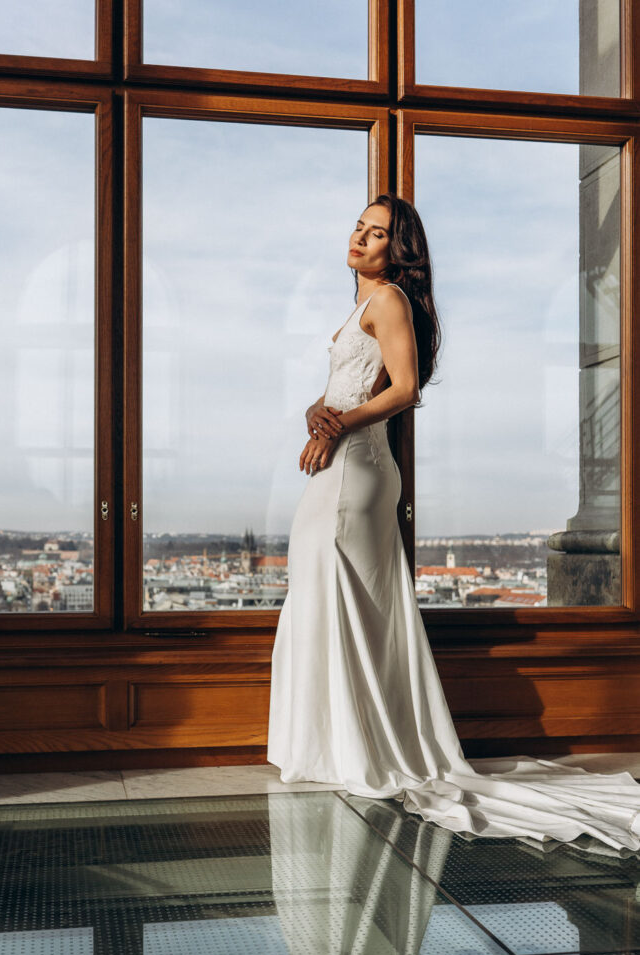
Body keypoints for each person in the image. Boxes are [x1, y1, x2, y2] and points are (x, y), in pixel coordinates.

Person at [267, 191, 640, 854]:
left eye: (376, 234)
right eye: (359, 227)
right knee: (327, 597)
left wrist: (338, 425)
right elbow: (347, 390)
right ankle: (341, 744)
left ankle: (354, 749)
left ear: (397, 251)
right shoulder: (364, 305)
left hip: (355, 472)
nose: (360, 238)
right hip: (347, 465)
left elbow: (404, 388)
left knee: (339, 600)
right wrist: (314, 414)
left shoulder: (388, 300)